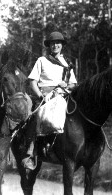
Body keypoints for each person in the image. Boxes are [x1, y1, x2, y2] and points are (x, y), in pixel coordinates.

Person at [22, 31, 77, 170]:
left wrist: (66, 85)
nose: (55, 45)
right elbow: (32, 82)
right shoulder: (42, 60)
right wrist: (41, 95)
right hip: (45, 95)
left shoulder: (67, 63)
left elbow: (73, 84)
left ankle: (73, 151)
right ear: (49, 46)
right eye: (52, 43)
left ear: (62, 45)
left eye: (58, 43)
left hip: (63, 95)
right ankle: (31, 153)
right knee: (36, 116)